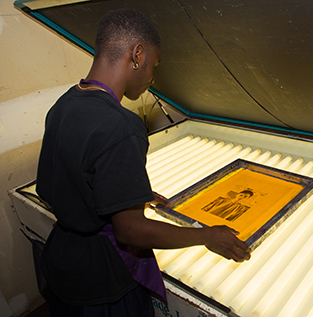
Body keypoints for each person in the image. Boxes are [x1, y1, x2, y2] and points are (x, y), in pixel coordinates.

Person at [36, 8, 250, 317]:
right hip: (103, 284)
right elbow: (130, 232)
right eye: (154, 64)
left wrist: (123, 194)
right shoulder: (121, 125)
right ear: (137, 54)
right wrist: (208, 236)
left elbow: (70, 177)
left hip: (62, 264)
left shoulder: (65, 103)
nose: (152, 76)